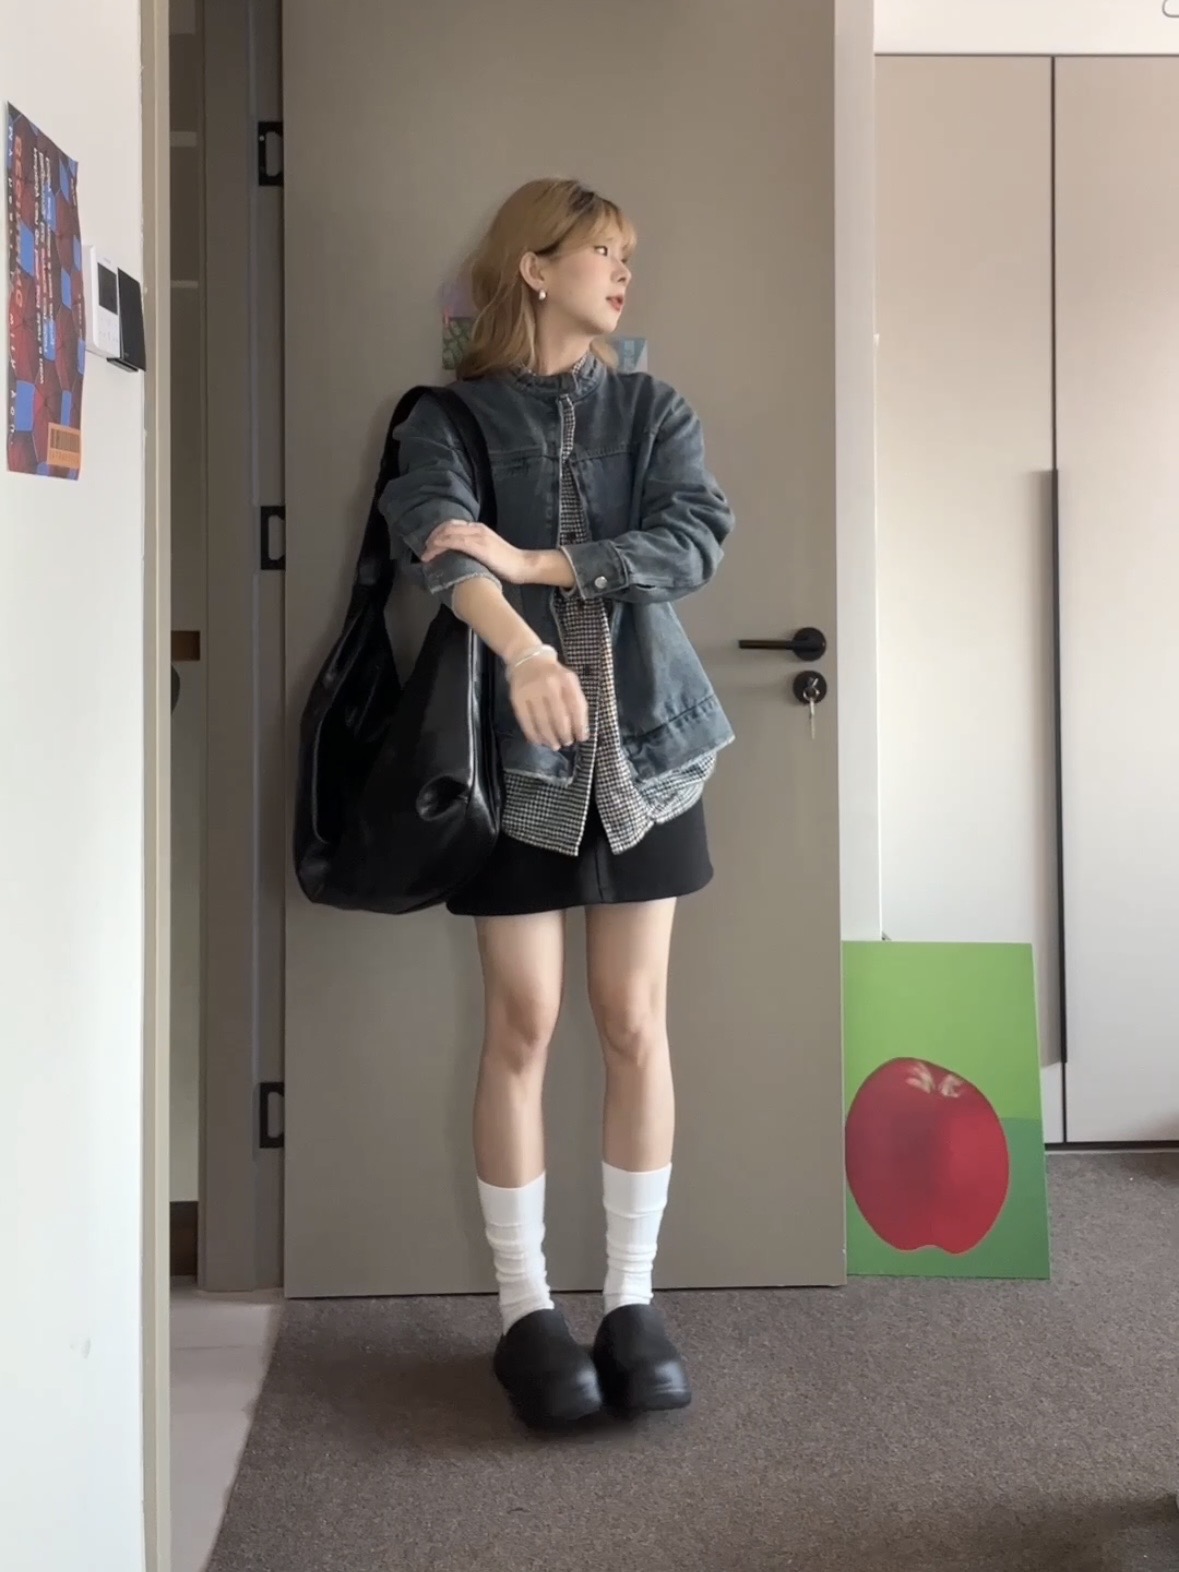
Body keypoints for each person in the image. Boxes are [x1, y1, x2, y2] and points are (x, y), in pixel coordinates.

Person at [380, 178, 734, 1430]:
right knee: (523, 1024)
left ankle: (633, 1300)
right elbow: (435, 537)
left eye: (628, 254)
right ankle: (525, 1309)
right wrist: (524, 648)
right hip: (511, 760)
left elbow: (696, 538)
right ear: (535, 268)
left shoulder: (652, 407)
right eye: (600, 251)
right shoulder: (449, 417)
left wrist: (543, 563)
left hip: (651, 749)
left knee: (634, 1021)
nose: (622, 271)